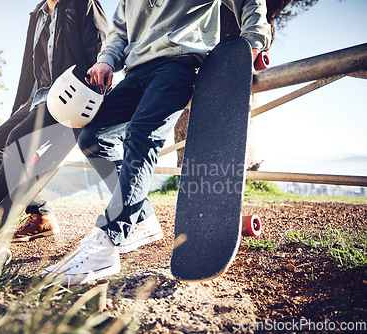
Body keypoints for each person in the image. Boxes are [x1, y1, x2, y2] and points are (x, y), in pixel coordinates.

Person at [44, 0, 272, 284]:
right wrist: (106, 60)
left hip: (178, 63)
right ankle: (142, 218)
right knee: (94, 138)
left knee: (141, 136)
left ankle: (109, 241)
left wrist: (252, 40)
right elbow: (119, 31)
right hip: (136, 70)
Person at [0, 0, 109, 258]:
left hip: (71, 98)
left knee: (16, 143)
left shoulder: (83, 4)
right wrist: (17, 111)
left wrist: (92, 100)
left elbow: (101, 53)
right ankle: (41, 216)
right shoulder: (37, 13)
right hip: (36, 99)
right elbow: (30, 67)